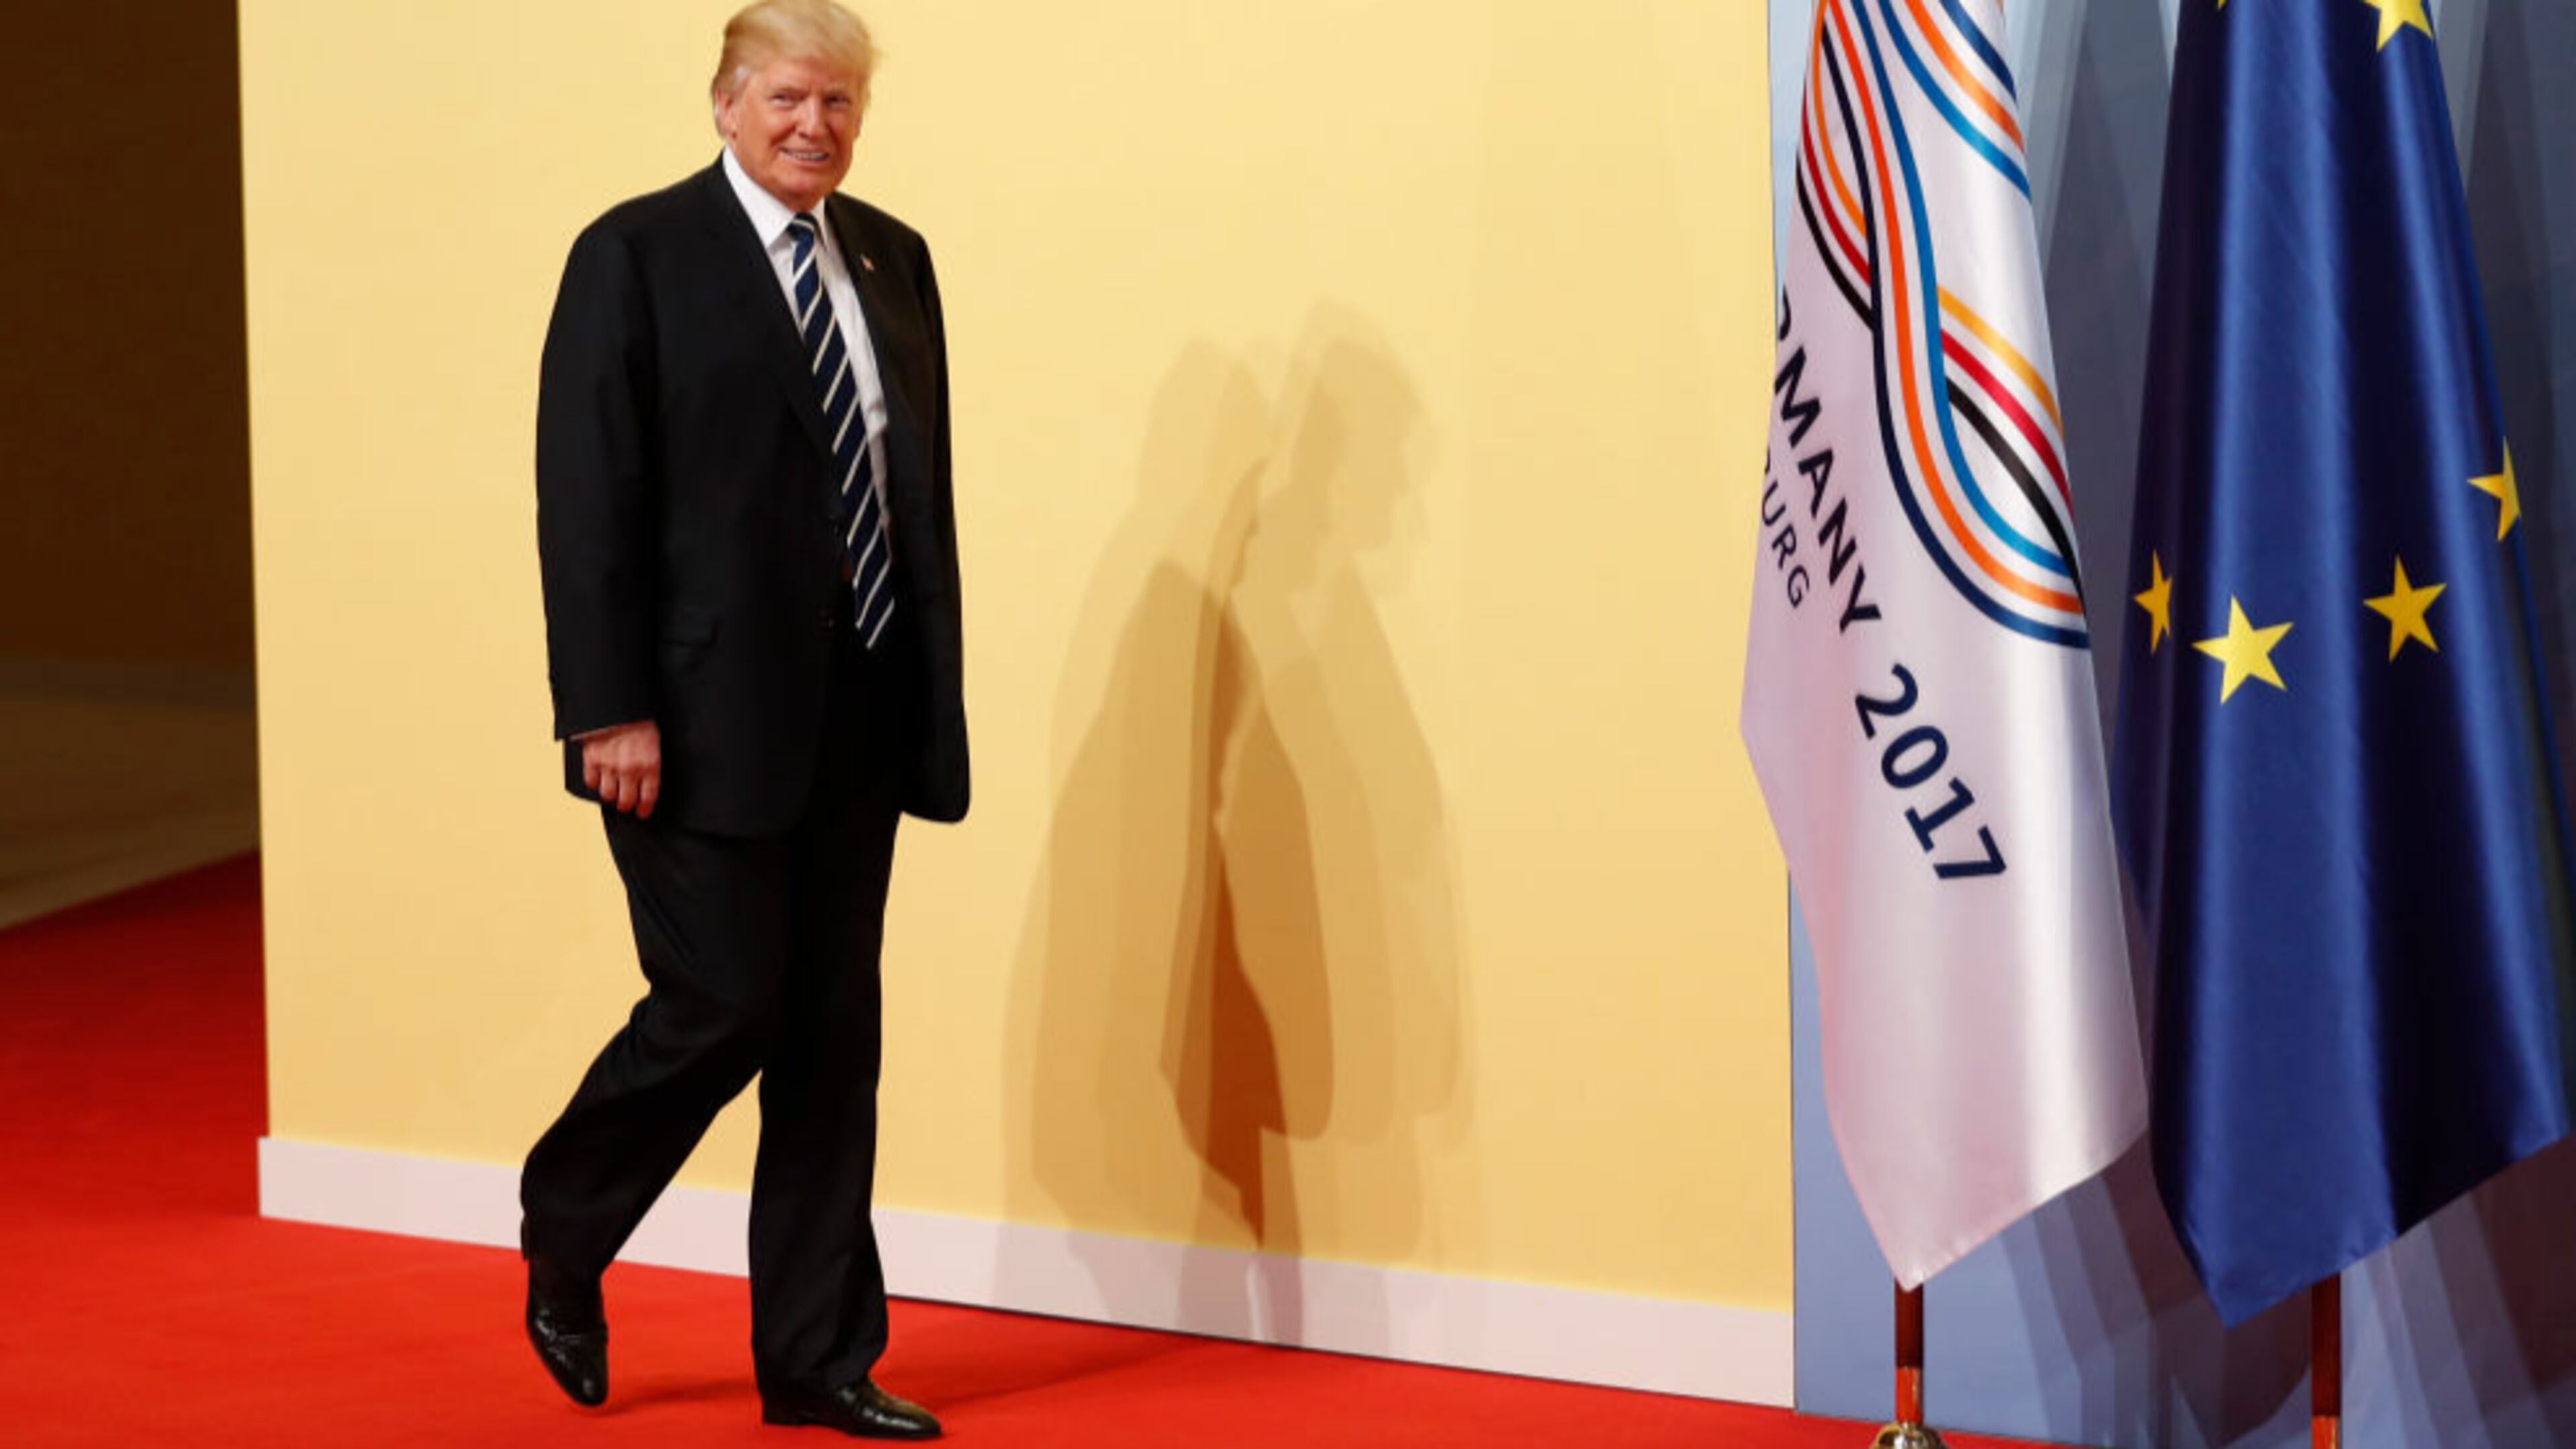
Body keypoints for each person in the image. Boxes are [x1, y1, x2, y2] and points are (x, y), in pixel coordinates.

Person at [519, 0, 966, 1437]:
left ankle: (820, 1359)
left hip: (862, 710)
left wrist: (930, 692)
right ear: (723, 102)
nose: (813, 126)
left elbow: (912, 496)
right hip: (694, 724)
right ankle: (568, 1218)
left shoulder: (895, 261)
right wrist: (607, 708)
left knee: (835, 1039)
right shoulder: (636, 256)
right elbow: (589, 497)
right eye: (785, 96)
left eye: (839, 102)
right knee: (725, 1002)